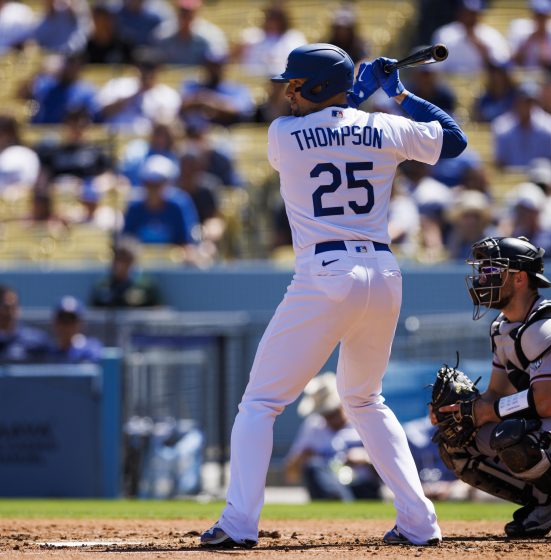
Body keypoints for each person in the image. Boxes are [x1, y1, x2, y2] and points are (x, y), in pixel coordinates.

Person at [200, 42, 467, 548]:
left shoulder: (282, 135)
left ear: (318, 87)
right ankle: (419, 522)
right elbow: (452, 141)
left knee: (260, 402)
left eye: (297, 85)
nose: (288, 94)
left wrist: (359, 94)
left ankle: (238, 525)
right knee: (365, 398)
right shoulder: (384, 125)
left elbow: (328, 124)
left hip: (325, 272)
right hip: (384, 272)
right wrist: (398, 93)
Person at [433, 236, 551, 538]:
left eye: (491, 270)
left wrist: (488, 411)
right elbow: (496, 395)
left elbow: (545, 403)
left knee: (518, 436)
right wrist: (460, 412)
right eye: (482, 270)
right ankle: (545, 504)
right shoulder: (502, 326)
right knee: (454, 441)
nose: (482, 278)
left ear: (519, 278)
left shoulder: (547, 326)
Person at [283, 373, 382, 501]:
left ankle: (340, 500)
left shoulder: (364, 422)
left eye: (333, 413)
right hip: (328, 490)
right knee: (313, 467)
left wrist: (366, 458)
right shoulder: (313, 427)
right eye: (325, 414)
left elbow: (391, 471)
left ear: (343, 405)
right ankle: (337, 498)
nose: (329, 419)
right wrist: (301, 459)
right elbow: (291, 475)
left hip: (363, 489)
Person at [431, 0, 510, 74]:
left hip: (481, 85)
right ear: (460, 12)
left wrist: (481, 47)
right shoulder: (444, 34)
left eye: (474, 13)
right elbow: (435, 67)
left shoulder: (491, 35)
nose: (470, 17)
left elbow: (501, 66)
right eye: (467, 13)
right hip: (449, 85)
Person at [89, 237, 161, 308]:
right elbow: (92, 312)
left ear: (132, 261)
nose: (120, 264)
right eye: (117, 258)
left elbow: (158, 311)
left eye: (125, 259)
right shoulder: (103, 285)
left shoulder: (145, 285)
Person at [45, 296, 103, 363]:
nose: (66, 326)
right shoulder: (48, 350)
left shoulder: (89, 348)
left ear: (81, 323)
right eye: (63, 320)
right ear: (54, 323)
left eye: (71, 320)